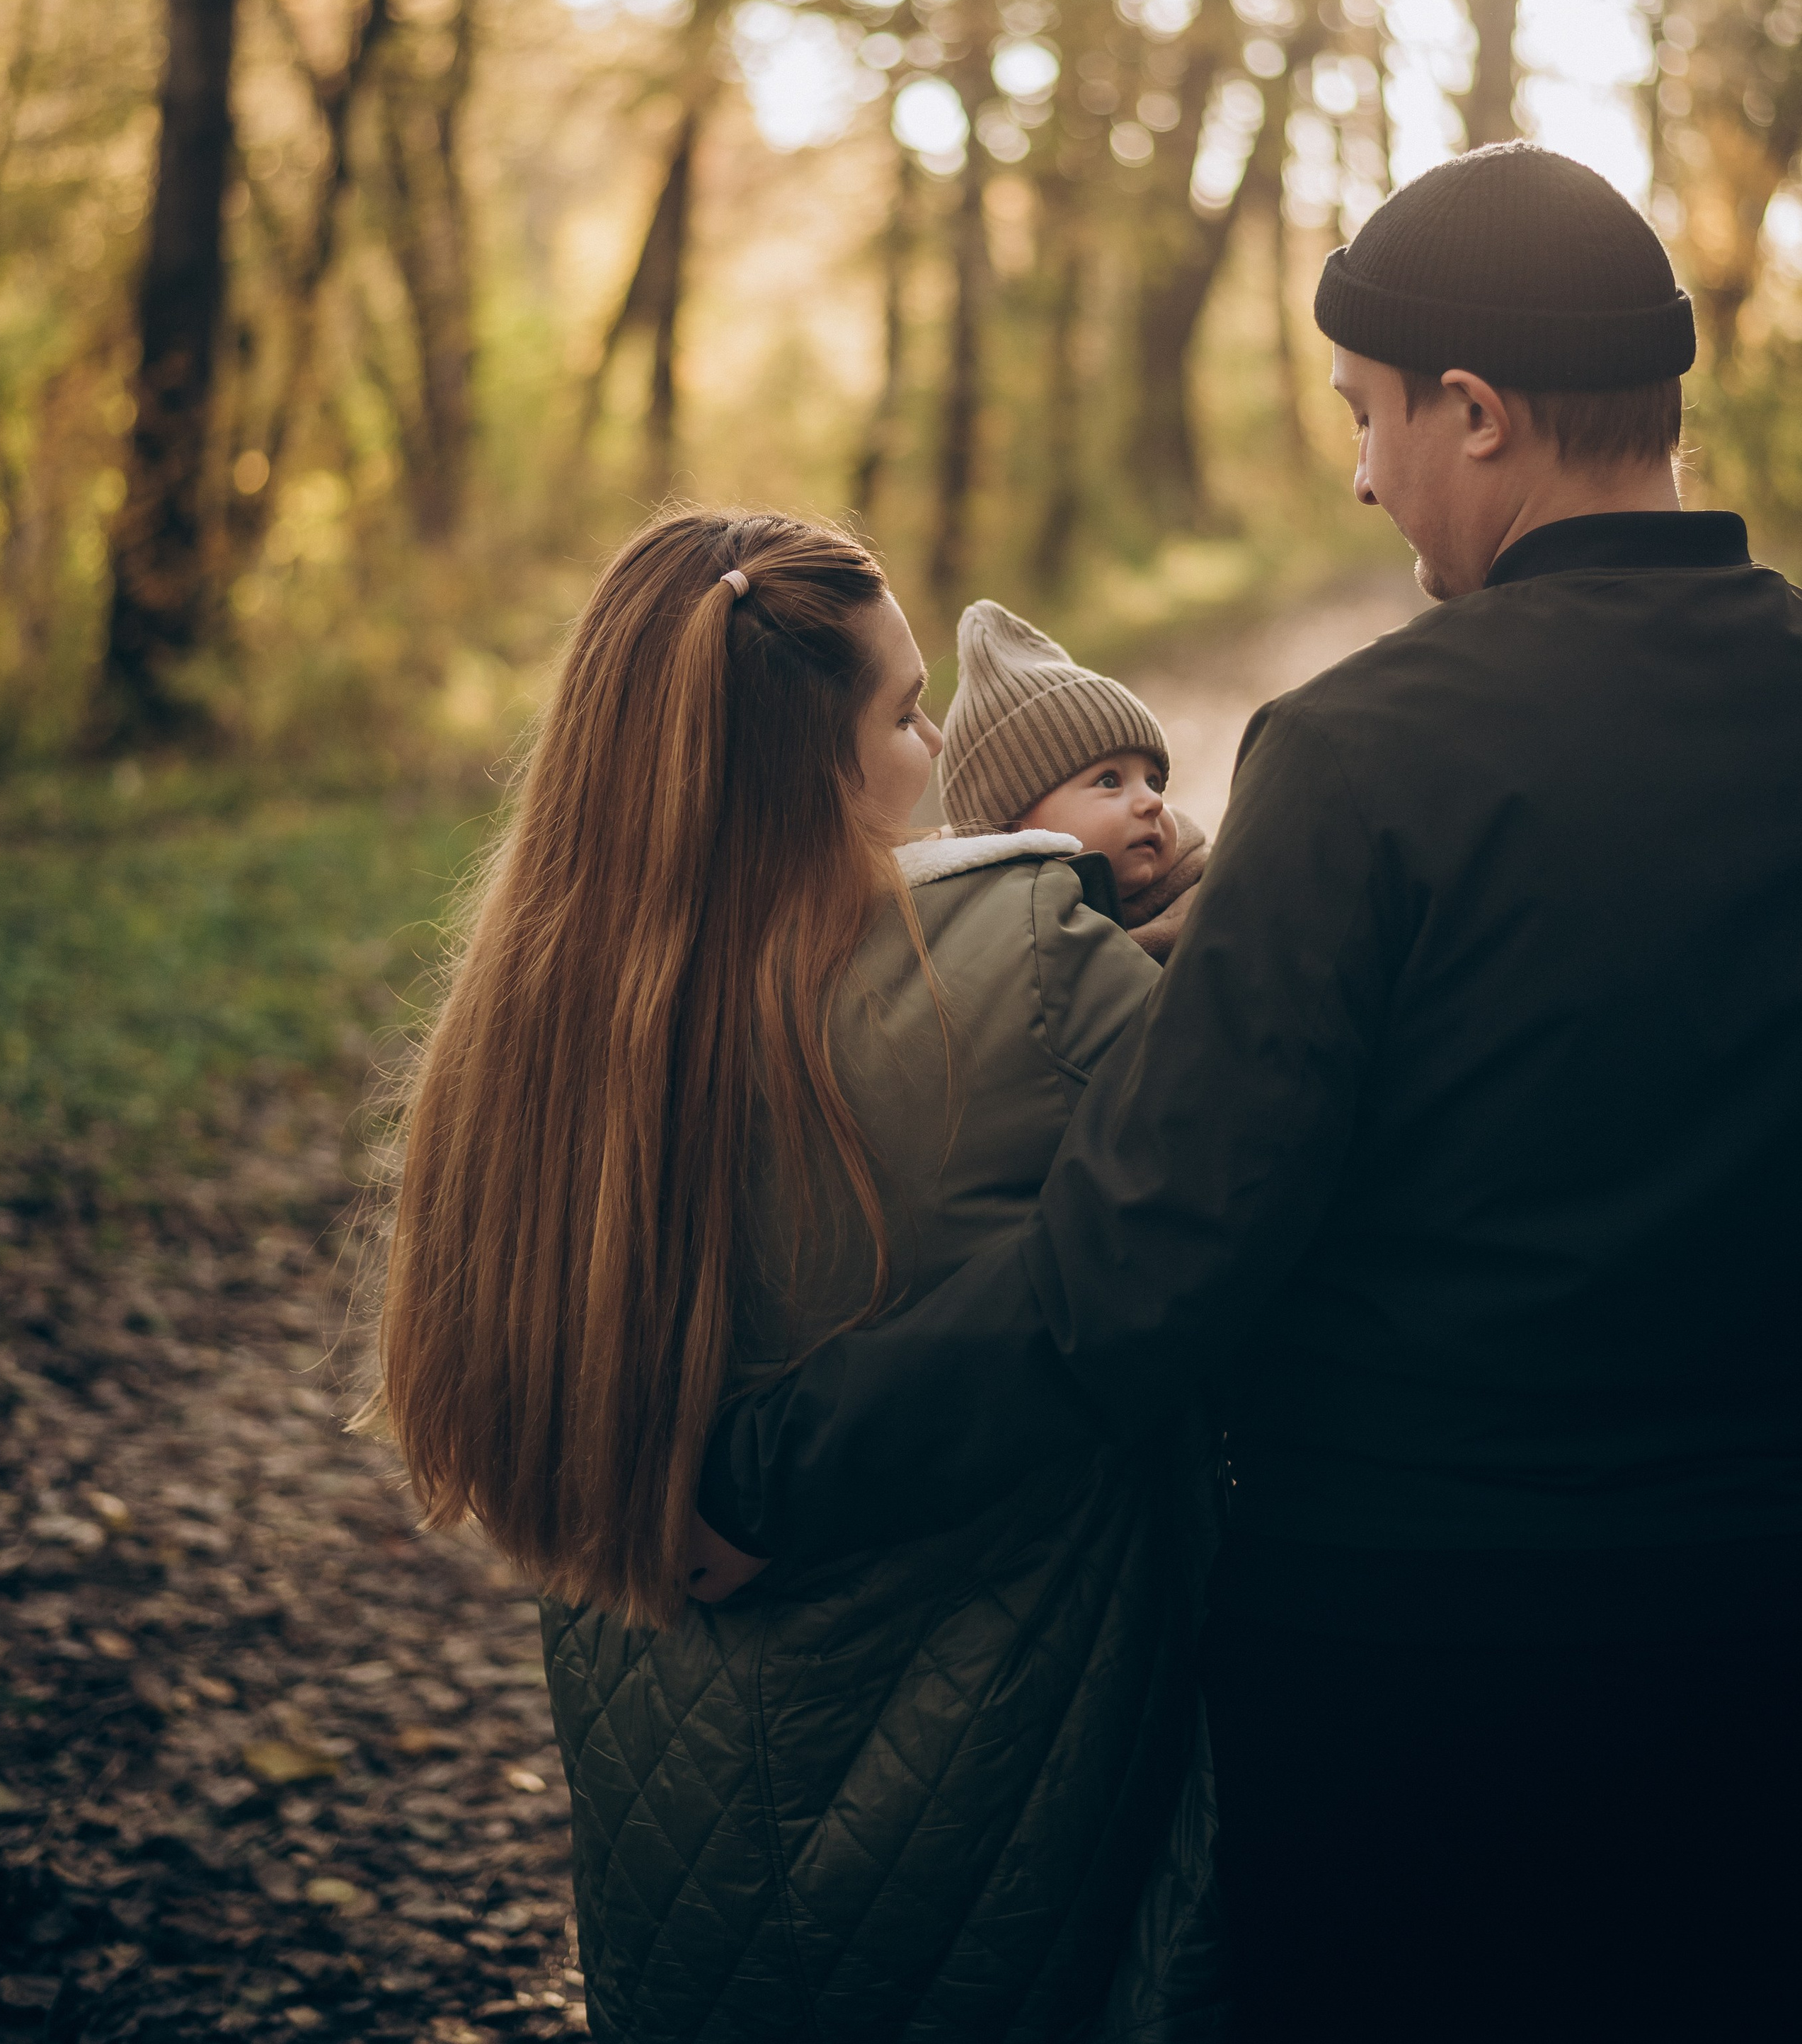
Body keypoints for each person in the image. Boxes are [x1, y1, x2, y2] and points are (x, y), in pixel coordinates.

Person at [698, 144, 1802, 2043]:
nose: (1364, 473)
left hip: (1423, 1679)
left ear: (1475, 411)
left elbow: (1147, 1257)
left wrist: (770, 1470)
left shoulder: (1366, 757)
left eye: (1370, 419)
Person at [369, 509, 1228, 2044]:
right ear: (800, 770)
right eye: (904, 715)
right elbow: (1268, 1139)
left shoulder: (522, 1038)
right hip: (985, 1841)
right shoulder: (1005, 960)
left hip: (673, 1864)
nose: (941, 744)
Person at [939, 597, 1210, 960]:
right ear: (1012, 833)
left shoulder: (1208, 894)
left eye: (1154, 781)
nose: (1154, 802)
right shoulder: (993, 953)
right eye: (1110, 781)